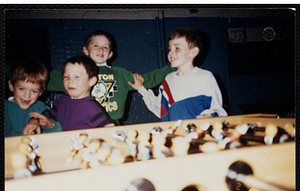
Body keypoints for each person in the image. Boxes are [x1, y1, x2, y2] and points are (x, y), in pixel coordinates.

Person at [47, 30, 175, 124]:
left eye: (105, 47)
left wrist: (172, 67)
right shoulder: (73, 74)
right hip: (82, 125)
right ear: (86, 50)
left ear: (110, 54)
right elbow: (41, 78)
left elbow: (146, 80)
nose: (101, 50)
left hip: (111, 124)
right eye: (96, 45)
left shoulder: (119, 73)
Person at [129, 28, 227, 121]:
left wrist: (209, 117)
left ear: (193, 52)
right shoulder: (168, 80)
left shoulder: (206, 78)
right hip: (177, 136)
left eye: (177, 48)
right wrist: (141, 89)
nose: (170, 53)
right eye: (169, 48)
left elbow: (218, 110)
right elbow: (160, 109)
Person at [29, 55, 115, 131]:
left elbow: (108, 127)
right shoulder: (61, 102)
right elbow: (45, 116)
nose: (70, 81)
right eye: (66, 76)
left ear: (92, 81)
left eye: (77, 77)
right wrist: (34, 120)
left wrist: (109, 128)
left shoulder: (91, 107)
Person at [5, 58, 62, 137]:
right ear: (11, 86)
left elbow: (58, 132)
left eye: (34, 91)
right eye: (21, 89)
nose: (27, 96)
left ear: (41, 92)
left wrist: (51, 125)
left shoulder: (41, 108)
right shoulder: (6, 109)